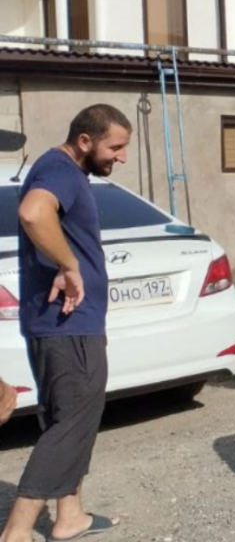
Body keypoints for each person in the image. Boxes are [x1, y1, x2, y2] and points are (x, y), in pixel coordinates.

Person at [2, 104, 131, 542]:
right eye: (115, 147)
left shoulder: (64, 171)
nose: (121, 157)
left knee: (71, 417)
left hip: (66, 323)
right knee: (72, 421)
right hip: (67, 324)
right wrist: (70, 264)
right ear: (84, 141)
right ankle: (17, 532)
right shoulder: (57, 169)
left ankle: (69, 516)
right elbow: (34, 213)